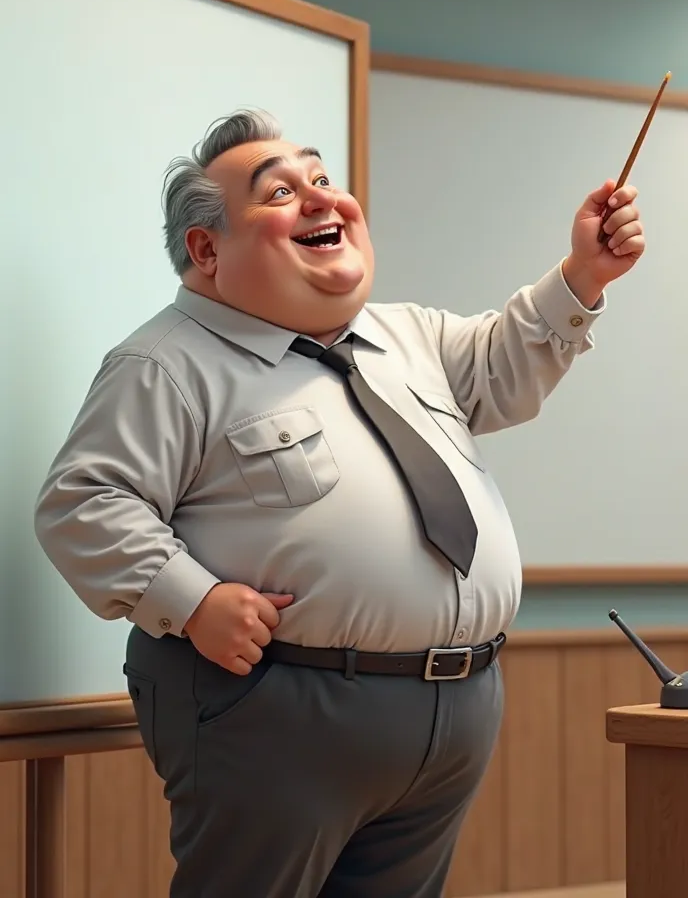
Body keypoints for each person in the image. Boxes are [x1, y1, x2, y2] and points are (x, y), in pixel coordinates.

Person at [34, 108, 645, 898]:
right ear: (206, 249)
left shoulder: (407, 336)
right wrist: (193, 599)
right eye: (281, 192)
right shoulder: (164, 364)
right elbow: (83, 499)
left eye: (323, 179)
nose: (321, 199)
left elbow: (503, 365)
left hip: (452, 707)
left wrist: (583, 274)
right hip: (278, 705)